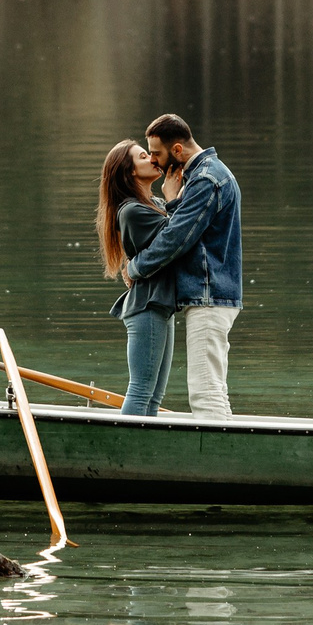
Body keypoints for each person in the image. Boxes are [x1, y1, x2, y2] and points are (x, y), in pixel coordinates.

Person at [124, 112, 242, 416]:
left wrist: (134, 268)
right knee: (214, 389)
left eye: (156, 153)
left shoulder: (205, 179)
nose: (153, 160)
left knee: (205, 393)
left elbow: (176, 238)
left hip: (208, 294)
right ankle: (225, 443)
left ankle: (216, 447)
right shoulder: (206, 174)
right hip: (211, 294)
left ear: (177, 149)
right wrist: (173, 200)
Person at [96, 140, 178, 415]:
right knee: (141, 390)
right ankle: (124, 440)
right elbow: (176, 235)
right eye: (144, 156)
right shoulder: (132, 210)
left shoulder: (153, 203)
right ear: (130, 171)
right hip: (147, 306)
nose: (153, 159)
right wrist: (173, 197)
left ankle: (144, 442)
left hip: (160, 304)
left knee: (154, 397)